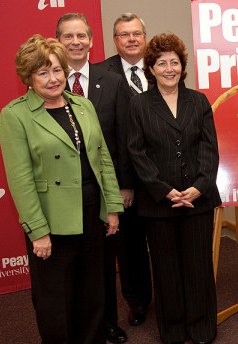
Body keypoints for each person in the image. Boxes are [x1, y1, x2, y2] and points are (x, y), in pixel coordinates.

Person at [0, 35, 123, 344]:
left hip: (91, 210)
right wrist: (37, 230)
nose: (53, 78)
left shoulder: (82, 106)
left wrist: (111, 207)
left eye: (57, 69)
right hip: (51, 218)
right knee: (54, 297)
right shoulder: (15, 115)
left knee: (92, 288)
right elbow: (20, 180)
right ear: (28, 77)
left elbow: (102, 159)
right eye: (43, 72)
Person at [127, 33, 221, 344]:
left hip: (198, 198)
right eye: (161, 63)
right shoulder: (139, 104)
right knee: (166, 268)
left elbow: (210, 148)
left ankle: (202, 327)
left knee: (197, 265)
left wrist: (198, 187)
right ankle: (173, 329)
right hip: (159, 202)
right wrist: (164, 190)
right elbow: (136, 152)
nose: (169, 68)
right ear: (150, 69)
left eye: (175, 62)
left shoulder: (199, 101)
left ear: (183, 66)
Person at [56, 12, 132, 344]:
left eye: (81, 36)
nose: (75, 42)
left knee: (104, 259)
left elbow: (124, 138)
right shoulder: (49, 81)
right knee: (70, 264)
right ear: (58, 41)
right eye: (68, 37)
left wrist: (124, 185)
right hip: (64, 191)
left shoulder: (112, 80)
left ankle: (108, 322)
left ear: (91, 40)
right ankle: (76, 327)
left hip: (105, 188)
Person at [97, 13, 153, 327]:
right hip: (125, 178)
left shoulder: (164, 67)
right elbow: (106, 135)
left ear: (145, 37)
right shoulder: (101, 74)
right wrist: (123, 182)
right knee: (129, 246)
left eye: (136, 33)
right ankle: (138, 302)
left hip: (162, 177)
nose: (130, 39)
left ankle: (171, 298)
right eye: (123, 35)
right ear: (115, 40)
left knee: (162, 242)